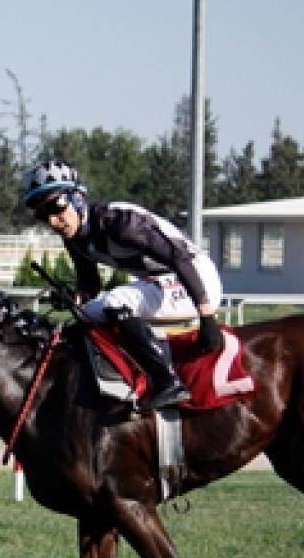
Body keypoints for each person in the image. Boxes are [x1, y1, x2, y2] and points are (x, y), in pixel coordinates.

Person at [21, 159, 225, 411]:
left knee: (116, 301)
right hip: (164, 281)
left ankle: (168, 382)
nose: (53, 221)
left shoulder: (119, 223)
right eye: (43, 214)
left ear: (78, 199)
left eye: (56, 206)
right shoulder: (75, 239)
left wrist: (207, 317)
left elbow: (178, 258)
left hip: (195, 277)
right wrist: (73, 297)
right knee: (88, 313)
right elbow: (90, 288)